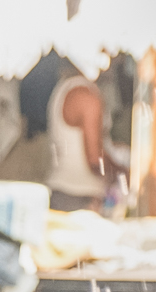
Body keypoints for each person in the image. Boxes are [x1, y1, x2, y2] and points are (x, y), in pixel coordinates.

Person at [44, 62, 124, 212]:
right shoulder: (87, 97)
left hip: (64, 192)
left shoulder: (65, 88)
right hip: (78, 197)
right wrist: (123, 173)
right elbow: (95, 161)